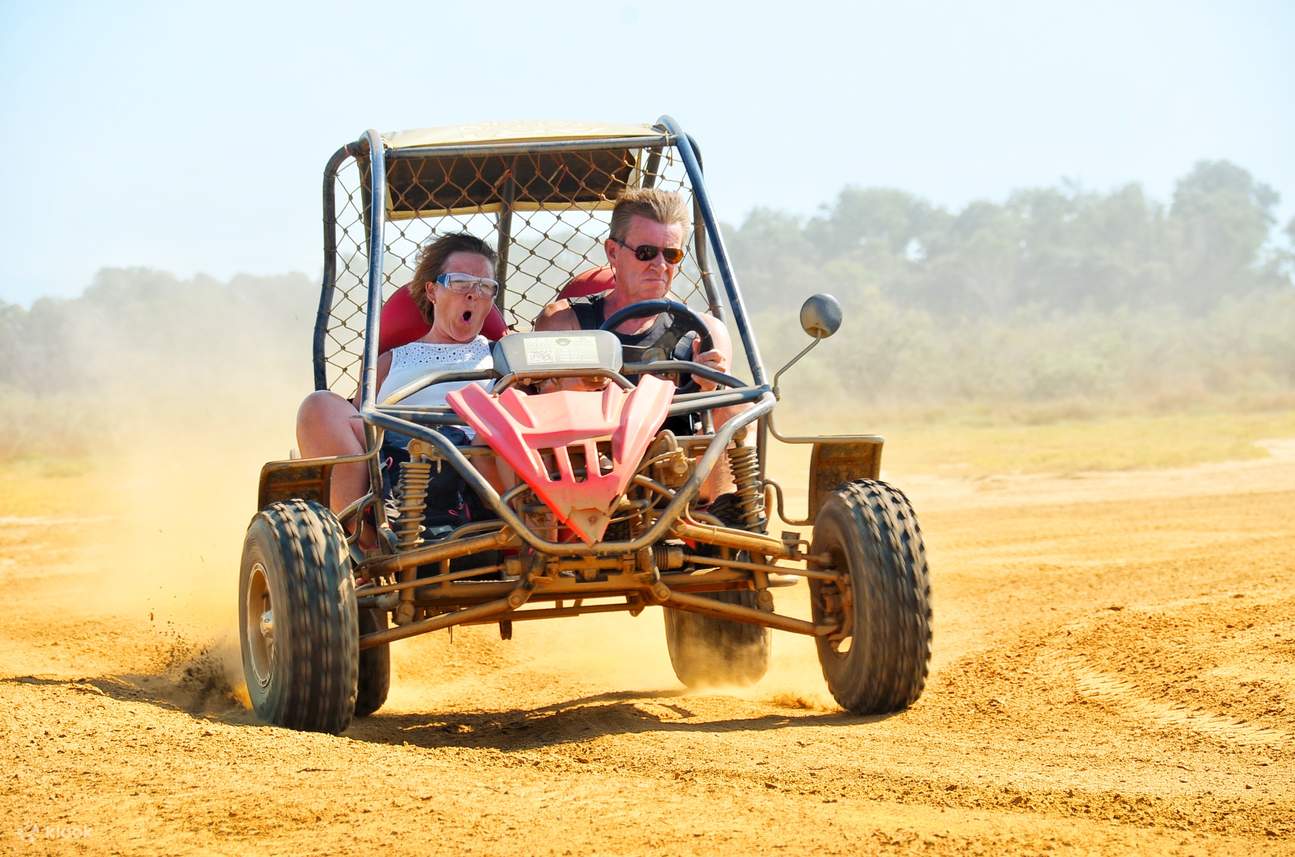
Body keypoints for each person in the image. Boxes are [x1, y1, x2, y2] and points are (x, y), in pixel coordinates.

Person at [534, 188, 743, 499]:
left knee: (735, 406)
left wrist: (709, 387)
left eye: (671, 254)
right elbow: (538, 408)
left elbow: (722, 411)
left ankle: (731, 520)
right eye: (646, 252)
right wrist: (569, 385)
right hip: (585, 475)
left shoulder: (704, 332)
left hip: (679, 480)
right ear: (613, 253)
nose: (659, 265)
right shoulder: (567, 324)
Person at [296, 232, 499, 526]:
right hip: (395, 467)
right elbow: (356, 426)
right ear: (432, 291)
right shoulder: (391, 361)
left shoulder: (503, 354)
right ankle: (363, 541)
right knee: (320, 405)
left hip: (479, 466)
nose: (473, 293)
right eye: (460, 282)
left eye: (484, 286)